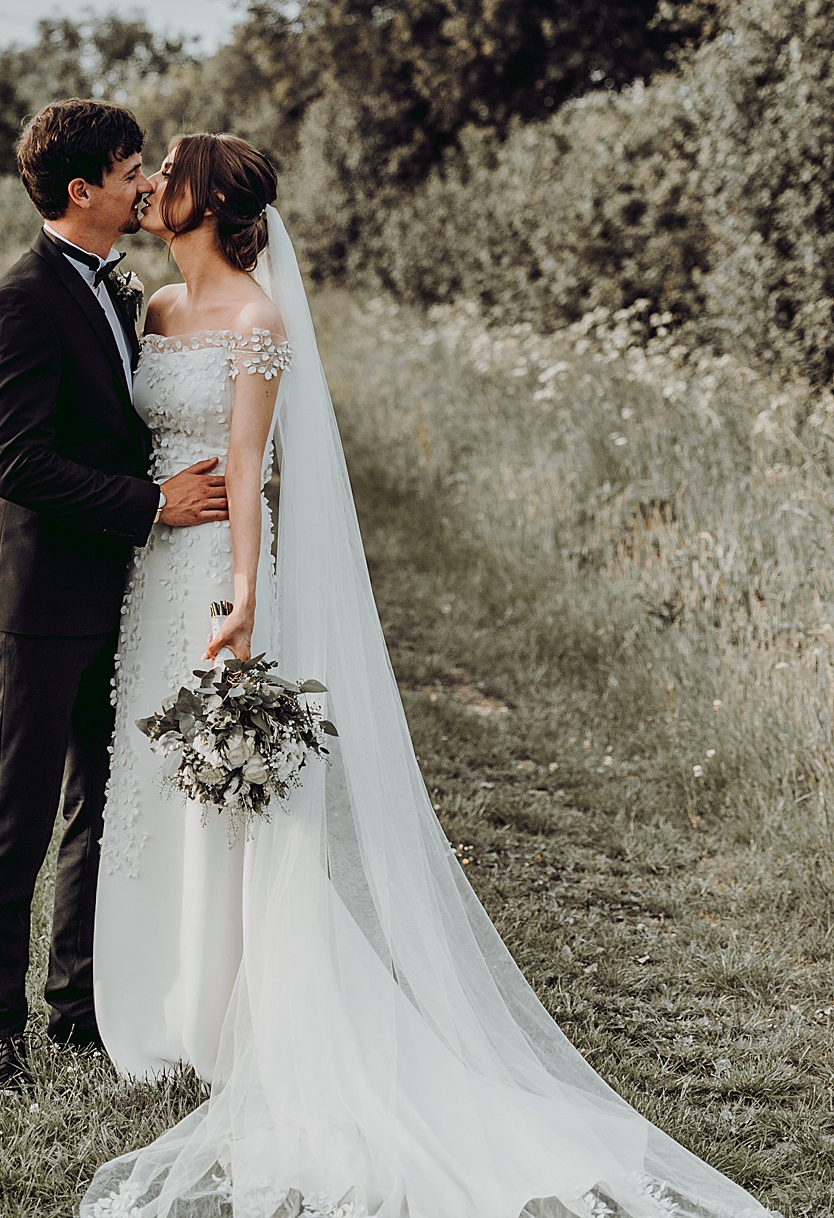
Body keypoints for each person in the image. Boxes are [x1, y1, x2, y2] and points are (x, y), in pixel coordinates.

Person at [82, 132, 772, 1218]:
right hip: (149, 566)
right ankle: (150, 1004)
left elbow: (256, 474)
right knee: (151, 778)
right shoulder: (154, 314)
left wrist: (248, 596)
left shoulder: (258, 325)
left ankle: (225, 1010)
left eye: (169, 175)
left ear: (209, 202)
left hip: (215, 569)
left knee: (233, 791)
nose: (152, 187)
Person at [0, 98, 229, 1091]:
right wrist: (153, 501)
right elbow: (21, 466)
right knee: (15, 818)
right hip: (34, 602)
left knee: (103, 809)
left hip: (117, 594)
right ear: (84, 188)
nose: (144, 181)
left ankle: (77, 1005)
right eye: (129, 167)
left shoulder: (119, 289)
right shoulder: (20, 301)